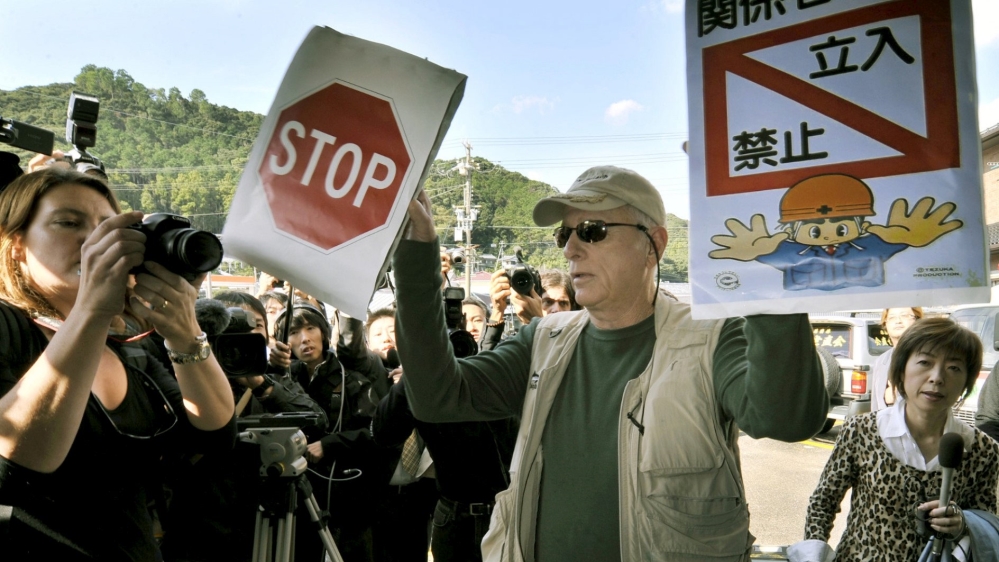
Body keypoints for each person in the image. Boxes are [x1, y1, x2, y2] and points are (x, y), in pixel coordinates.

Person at [393, 165, 826, 560]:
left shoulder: (711, 337)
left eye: (593, 230)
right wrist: (417, 254)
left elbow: (788, 419)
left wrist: (772, 283)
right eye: (566, 235)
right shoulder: (543, 340)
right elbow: (438, 398)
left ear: (653, 243)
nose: (571, 250)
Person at [0, 168, 236, 561]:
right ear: (16, 246)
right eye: (68, 222)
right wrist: (93, 308)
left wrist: (183, 331)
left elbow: (214, 433)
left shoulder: (127, 346)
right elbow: (16, 466)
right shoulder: (8, 326)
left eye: (109, 226)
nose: (97, 239)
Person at [793, 317, 999, 562]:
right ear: (901, 370)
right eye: (924, 362)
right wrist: (813, 554)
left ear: (967, 380)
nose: (937, 377)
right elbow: (823, 501)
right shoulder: (861, 430)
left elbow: (985, 520)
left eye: (954, 368)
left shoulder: (984, 450)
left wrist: (963, 524)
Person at [161, 291, 326, 562]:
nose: (244, 333)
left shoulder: (273, 377)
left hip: (267, 511)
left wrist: (261, 385)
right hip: (200, 515)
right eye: (231, 322)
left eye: (256, 325)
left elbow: (317, 420)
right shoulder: (182, 375)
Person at [276, 303, 393, 562]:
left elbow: (377, 432)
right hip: (292, 491)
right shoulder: (284, 378)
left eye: (310, 328)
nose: (304, 338)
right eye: (293, 332)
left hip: (346, 493)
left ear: (324, 333)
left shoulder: (350, 377)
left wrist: (330, 444)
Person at [481, 267, 576, 351]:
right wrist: (498, 311)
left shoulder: (578, 342)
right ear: (533, 300)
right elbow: (485, 366)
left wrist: (537, 323)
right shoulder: (518, 343)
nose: (556, 309)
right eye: (548, 302)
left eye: (563, 303)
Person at [870, 307, 923, 412]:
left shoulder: (927, 357)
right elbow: (875, 405)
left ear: (917, 321)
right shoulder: (881, 361)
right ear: (885, 324)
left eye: (905, 315)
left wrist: (898, 396)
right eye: (892, 317)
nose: (898, 321)